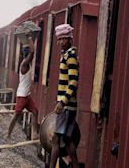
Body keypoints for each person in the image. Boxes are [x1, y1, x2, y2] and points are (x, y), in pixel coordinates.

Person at [50, 24, 79, 168]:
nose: (59, 42)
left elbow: (73, 81)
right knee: (67, 139)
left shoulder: (71, 57)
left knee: (56, 139)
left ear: (68, 39)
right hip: (69, 105)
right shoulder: (67, 56)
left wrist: (62, 102)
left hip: (67, 105)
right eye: (58, 39)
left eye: (62, 39)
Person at [7, 36, 39, 139]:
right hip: (22, 95)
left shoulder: (26, 64)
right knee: (16, 115)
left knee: (35, 112)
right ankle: (8, 134)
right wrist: (30, 38)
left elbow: (32, 53)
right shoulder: (24, 64)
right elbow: (33, 53)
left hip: (26, 95)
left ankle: (34, 134)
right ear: (27, 54)